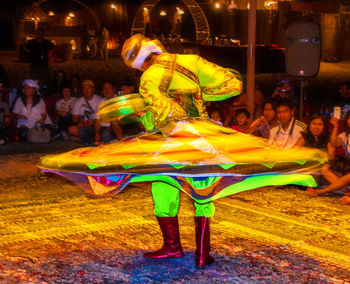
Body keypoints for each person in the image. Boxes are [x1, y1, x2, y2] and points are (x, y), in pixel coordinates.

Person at [40, 34, 328, 269]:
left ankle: (172, 246)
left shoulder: (149, 79)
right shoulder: (191, 60)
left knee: (164, 184)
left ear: (140, 63)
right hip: (203, 133)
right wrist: (199, 94)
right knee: (203, 184)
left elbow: (166, 115)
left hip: (173, 137)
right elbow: (233, 84)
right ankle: (203, 253)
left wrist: (144, 115)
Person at [306, 112, 350, 202]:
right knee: (324, 170)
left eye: (319, 124)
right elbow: (334, 143)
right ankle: (346, 192)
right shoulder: (345, 135)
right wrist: (336, 127)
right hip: (346, 165)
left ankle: (321, 191)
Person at [68, 80, 101, 145]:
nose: (86, 91)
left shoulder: (99, 100)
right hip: (85, 126)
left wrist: (94, 121)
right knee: (75, 130)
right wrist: (79, 121)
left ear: (93, 89)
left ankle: (86, 141)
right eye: (84, 89)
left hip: (97, 125)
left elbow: (103, 118)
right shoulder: (79, 101)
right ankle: (93, 142)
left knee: (104, 133)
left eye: (88, 88)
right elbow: (74, 119)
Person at [94, 80, 123, 145]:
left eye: (109, 88)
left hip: (115, 128)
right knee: (82, 132)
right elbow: (97, 120)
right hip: (102, 127)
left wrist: (112, 126)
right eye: (104, 88)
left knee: (105, 134)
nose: (107, 90)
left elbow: (122, 120)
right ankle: (101, 142)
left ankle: (105, 142)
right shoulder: (101, 102)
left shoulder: (119, 101)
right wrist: (96, 132)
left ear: (113, 89)